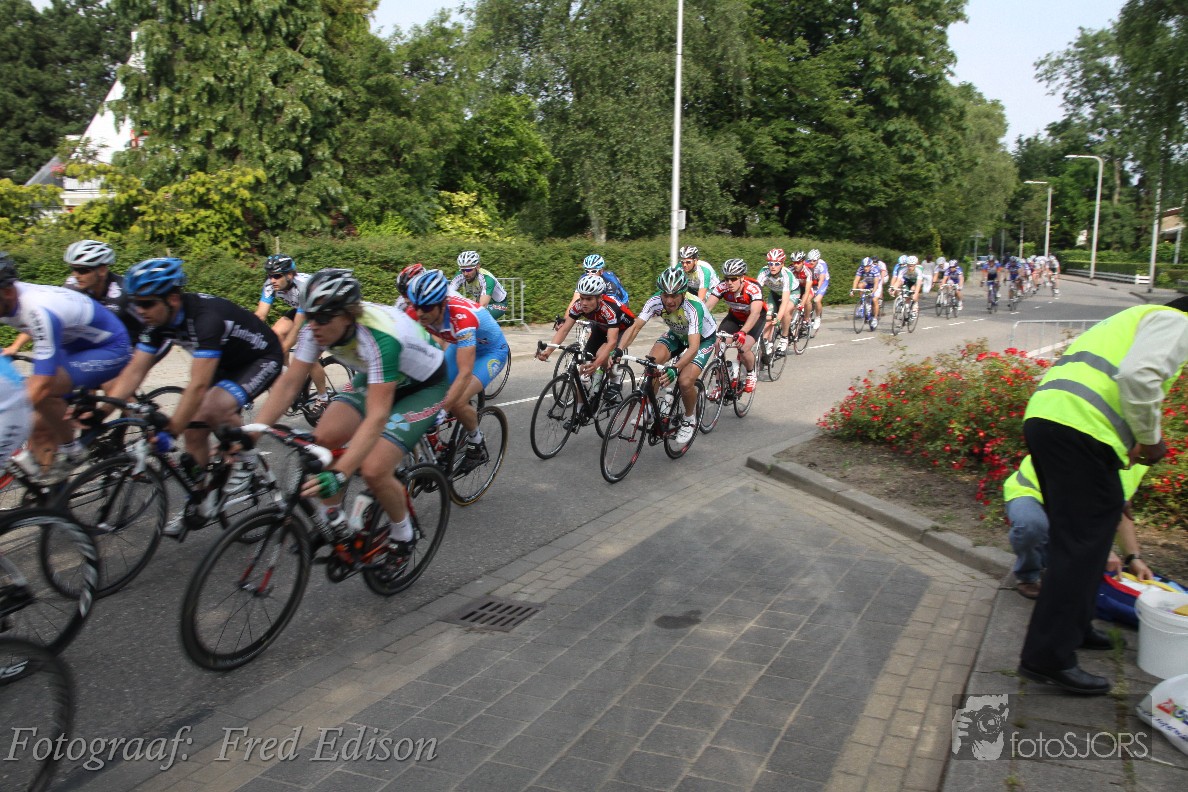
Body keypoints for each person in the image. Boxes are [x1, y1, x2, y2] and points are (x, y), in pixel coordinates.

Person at [1017, 297, 1188, 695]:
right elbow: (1139, 376)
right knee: (1080, 547)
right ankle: (1048, 656)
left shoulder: (1137, 317)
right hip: (1082, 431)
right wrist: (1151, 439)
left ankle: (1075, 629)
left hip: (1053, 420)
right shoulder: (1176, 320)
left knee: (1085, 538)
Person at [254, 269, 448, 555]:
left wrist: (342, 473)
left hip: (424, 385)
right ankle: (333, 520)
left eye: (322, 317)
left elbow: (377, 416)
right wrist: (252, 434)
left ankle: (404, 533)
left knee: (373, 468)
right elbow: (289, 384)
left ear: (347, 315)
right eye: (309, 315)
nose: (313, 325)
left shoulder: (379, 337)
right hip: (382, 375)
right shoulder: (316, 329)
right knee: (322, 440)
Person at [103, 258, 283, 534]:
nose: (140, 311)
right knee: (194, 432)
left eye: (147, 303)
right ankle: (201, 501)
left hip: (261, 358)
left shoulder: (205, 319)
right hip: (224, 363)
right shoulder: (156, 321)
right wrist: (101, 412)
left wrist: (170, 431)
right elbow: (134, 371)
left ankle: (245, 459)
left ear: (173, 299)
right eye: (136, 303)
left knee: (211, 407)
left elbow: (198, 386)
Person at [0, 252, 131, 482]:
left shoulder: (38, 308)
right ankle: (51, 496)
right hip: (70, 345)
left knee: (40, 391)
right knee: (38, 426)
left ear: (8, 291)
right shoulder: (7, 299)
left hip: (109, 347)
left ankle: (72, 451)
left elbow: (42, 384)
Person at [1004, 455, 1153, 600]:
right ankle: (1028, 576)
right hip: (1031, 490)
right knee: (1032, 526)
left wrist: (1133, 558)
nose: (1142, 459)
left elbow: (1119, 511)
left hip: (1068, 509)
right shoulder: (1098, 445)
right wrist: (1102, 550)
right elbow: (1070, 503)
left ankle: (1049, 560)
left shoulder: (1138, 460)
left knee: (1079, 570)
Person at [406, 269, 510, 473]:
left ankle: (476, 443)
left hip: (490, 351)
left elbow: (465, 373)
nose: (419, 313)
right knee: (431, 388)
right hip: (459, 344)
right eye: (416, 306)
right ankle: (435, 448)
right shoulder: (420, 312)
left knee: (457, 400)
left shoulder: (462, 318)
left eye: (425, 307)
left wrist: (443, 410)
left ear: (442, 305)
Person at [616, 266, 717, 445]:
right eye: (665, 295)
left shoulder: (694, 307)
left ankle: (689, 418)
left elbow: (693, 347)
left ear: (683, 293)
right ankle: (648, 409)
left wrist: (675, 368)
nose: (669, 300)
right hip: (677, 334)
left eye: (674, 295)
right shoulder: (655, 301)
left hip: (702, 340)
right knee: (652, 364)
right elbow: (635, 326)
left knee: (684, 381)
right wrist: (619, 349)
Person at [4, 239, 139, 356]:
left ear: (102, 270)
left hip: (131, 341)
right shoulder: (73, 285)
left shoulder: (122, 292)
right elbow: (45, 316)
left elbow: (105, 330)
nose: (76, 275)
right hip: (100, 339)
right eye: (73, 269)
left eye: (83, 270)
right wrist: (15, 346)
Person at [538, 273, 635, 413]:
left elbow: (611, 341)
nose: (584, 303)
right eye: (582, 298)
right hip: (600, 327)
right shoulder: (578, 306)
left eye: (589, 299)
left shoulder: (610, 309)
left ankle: (615, 380)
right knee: (583, 369)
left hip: (622, 329)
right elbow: (564, 330)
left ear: (600, 298)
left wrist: (596, 364)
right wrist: (548, 351)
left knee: (602, 356)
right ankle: (579, 412)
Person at [253, 254, 329, 416]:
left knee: (306, 355)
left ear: (289, 275)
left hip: (323, 312)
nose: (272, 280)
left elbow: (296, 328)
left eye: (276, 276)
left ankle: (323, 397)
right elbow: (260, 315)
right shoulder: (270, 285)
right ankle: (289, 380)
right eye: (269, 275)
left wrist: (278, 352)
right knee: (275, 335)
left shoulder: (304, 286)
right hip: (303, 311)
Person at [703, 258, 766, 394]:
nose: (729, 282)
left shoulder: (753, 288)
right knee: (718, 343)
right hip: (735, 317)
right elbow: (707, 307)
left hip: (754, 319)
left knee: (743, 347)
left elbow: (755, 313)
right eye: (727, 279)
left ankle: (751, 373)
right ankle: (719, 385)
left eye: (733, 279)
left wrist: (743, 332)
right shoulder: (723, 287)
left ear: (742, 277)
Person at [450, 251, 509, 320]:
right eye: (463, 270)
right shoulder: (460, 276)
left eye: (469, 269)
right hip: (479, 300)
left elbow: (482, 306)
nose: (465, 274)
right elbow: (448, 293)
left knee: (477, 317)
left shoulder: (487, 279)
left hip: (499, 304)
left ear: (477, 267)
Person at [756, 249, 794, 354]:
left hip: (792, 293)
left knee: (785, 312)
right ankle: (766, 341)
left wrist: (778, 318)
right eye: (770, 263)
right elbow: (756, 293)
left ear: (782, 264)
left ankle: (784, 338)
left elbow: (785, 301)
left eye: (776, 264)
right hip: (775, 293)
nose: (773, 266)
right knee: (768, 316)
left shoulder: (786, 275)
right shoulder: (764, 272)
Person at [850, 256, 883, 328]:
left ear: (870, 265)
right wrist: (853, 290)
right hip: (867, 281)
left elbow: (876, 283)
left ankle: (875, 318)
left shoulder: (875, 269)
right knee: (860, 285)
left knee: (874, 299)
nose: (865, 268)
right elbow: (856, 280)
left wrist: (872, 292)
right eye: (864, 266)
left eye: (867, 266)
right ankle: (863, 302)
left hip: (876, 283)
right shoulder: (861, 268)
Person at [810, 252, 830, 332]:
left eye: (814, 260)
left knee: (816, 300)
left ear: (818, 260)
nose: (811, 262)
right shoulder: (807, 263)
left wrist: (817, 289)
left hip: (823, 281)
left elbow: (821, 279)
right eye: (810, 260)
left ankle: (817, 317)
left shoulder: (822, 265)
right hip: (813, 281)